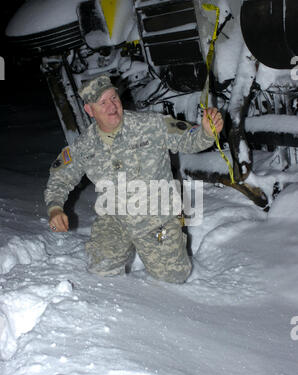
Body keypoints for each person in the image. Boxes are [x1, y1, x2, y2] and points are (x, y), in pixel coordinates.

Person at [45, 74, 223, 283]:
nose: (112, 106)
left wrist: (206, 132)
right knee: (102, 271)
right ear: (89, 110)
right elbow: (60, 177)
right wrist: (55, 208)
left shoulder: (151, 124)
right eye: (103, 102)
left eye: (114, 98)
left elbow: (189, 140)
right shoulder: (84, 146)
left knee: (173, 278)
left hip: (156, 217)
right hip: (115, 217)